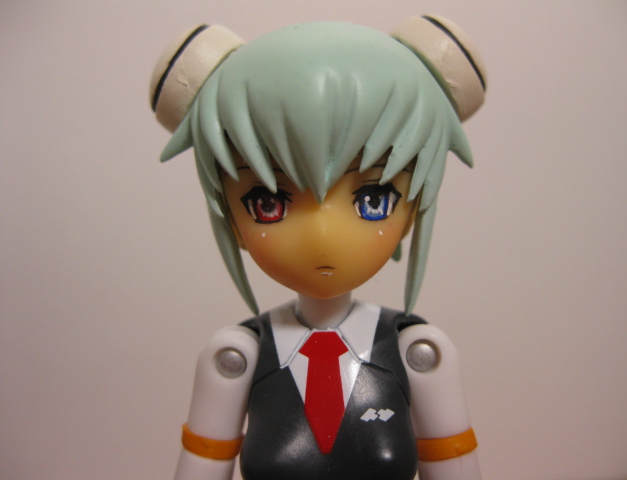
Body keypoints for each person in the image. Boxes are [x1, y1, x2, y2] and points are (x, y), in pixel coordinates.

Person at [151, 17, 486, 480]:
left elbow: (452, 464)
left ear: (412, 210)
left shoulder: (418, 353)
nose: (323, 236)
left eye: (374, 200)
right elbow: (203, 464)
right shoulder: (236, 358)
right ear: (231, 216)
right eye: (268, 203)